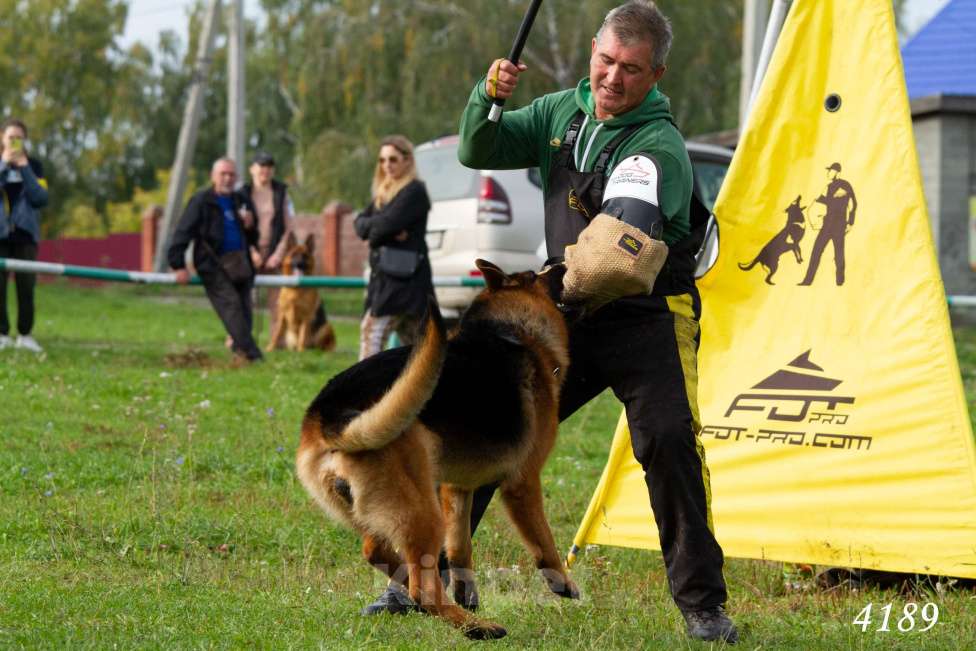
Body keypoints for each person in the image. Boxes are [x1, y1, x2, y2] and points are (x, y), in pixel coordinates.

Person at [363, 2, 737, 643]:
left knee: (668, 440)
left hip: (646, 313)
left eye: (631, 69)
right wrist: (489, 96)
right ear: (593, 49)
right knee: (484, 422)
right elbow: (480, 147)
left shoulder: (659, 148)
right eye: (606, 61)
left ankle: (703, 605)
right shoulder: (558, 112)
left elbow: (609, 259)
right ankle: (409, 583)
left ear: (657, 74)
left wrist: (542, 297)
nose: (613, 79)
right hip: (565, 307)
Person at [167, 157, 263, 363]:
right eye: (223, 174)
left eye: (231, 174)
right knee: (232, 307)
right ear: (213, 176)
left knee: (245, 310)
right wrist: (178, 264)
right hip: (212, 264)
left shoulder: (240, 200)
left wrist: (250, 225)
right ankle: (254, 356)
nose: (228, 179)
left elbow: (254, 238)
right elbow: (183, 231)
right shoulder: (201, 201)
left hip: (240, 264)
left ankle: (241, 353)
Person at [353, 135, 434, 360]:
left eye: (393, 159)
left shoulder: (414, 191)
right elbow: (359, 225)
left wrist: (378, 230)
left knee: (373, 333)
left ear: (407, 161)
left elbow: (380, 229)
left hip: (405, 282)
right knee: (422, 352)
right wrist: (381, 228)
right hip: (387, 279)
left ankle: (366, 390)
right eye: (382, 160)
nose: (386, 165)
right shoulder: (384, 192)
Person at [0, 118, 49, 353]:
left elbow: (41, 198)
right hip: (1, 236)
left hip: (25, 236)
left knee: (26, 288)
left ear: (25, 140)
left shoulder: (35, 166)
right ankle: (1, 334)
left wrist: (24, 168)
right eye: (11, 137)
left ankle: (25, 334)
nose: (14, 142)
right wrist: (3, 165)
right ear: (2, 139)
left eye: (19, 137)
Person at [241, 151, 297, 346]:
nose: (265, 170)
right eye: (261, 166)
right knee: (245, 298)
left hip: (274, 253)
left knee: (277, 301)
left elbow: (288, 228)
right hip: (250, 253)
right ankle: (240, 338)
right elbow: (238, 228)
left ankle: (276, 341)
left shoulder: (281, 193)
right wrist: (252, 252)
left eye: (269, 167)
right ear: (252, 169)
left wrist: (277, 254)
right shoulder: (243, 193)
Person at [798, 162, 858, 286]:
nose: (828, 172)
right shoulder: (829, 186)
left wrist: (850, 222)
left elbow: (853, 203)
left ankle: (840, 282)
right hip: (827, 225)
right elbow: (823, 202)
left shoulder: (845, 185)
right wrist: (814, 213)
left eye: (831, 170)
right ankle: (807, 281)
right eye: (828, 170)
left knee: (839, 255)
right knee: (816, 251)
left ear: (838, 172)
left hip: (839, 225)